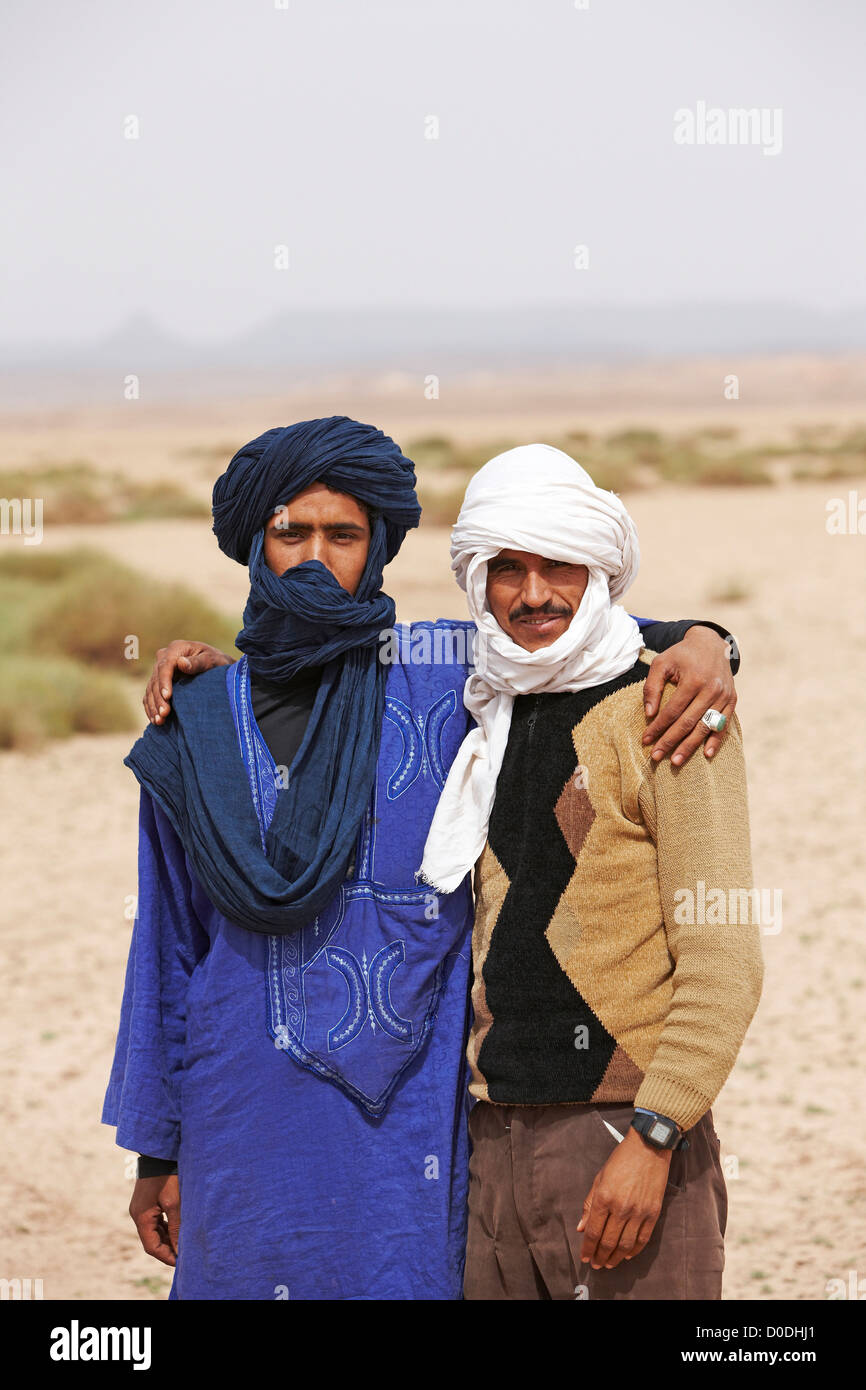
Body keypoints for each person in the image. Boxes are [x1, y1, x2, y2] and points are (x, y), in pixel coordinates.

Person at [109, 418, 739, 1299]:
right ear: (256, 542)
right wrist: (155, 1151)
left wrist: (709, 638)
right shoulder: (198, 723)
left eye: (344, 535)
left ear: (377, 550)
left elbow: (567, 627)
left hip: (410, 1130)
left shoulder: (444, 672)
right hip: (240, 1115)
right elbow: (167, 955)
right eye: (291, 532)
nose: (316, 557)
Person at [416, 444, 764, 1300]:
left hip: (627, 1130)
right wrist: (203, 669)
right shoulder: (481, 696)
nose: (534, 595)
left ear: (599, 571)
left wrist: (654, 1135)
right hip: (493, 1132)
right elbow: (330, 663)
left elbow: (724, 958)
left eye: (560, 566)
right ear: (478, 580)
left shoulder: (673, 708)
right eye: (509, 569)